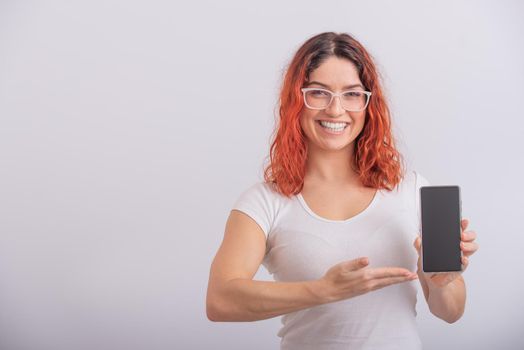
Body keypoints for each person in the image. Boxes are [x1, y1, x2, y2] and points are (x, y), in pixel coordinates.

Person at [206, 32, 479, 349]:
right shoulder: (264, 201)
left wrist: (442, 281)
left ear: (368, 104)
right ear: (297, 100)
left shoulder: (412, 189)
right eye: (319, 93)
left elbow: (451, 312)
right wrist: (323, 290)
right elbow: (219, 300)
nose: (336, 110)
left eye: (352, 94)